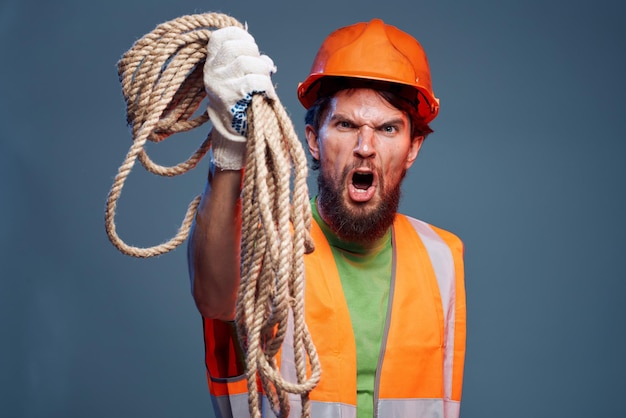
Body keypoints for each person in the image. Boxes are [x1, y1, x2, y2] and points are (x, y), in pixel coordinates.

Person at [188, 18, 466, 418]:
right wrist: (230, 155)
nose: (365, 147)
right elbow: (213, 296)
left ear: (412, 148)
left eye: (388, 128)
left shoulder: (443, 255)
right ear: (314, 141)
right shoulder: (263, 246)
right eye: (346, 125)